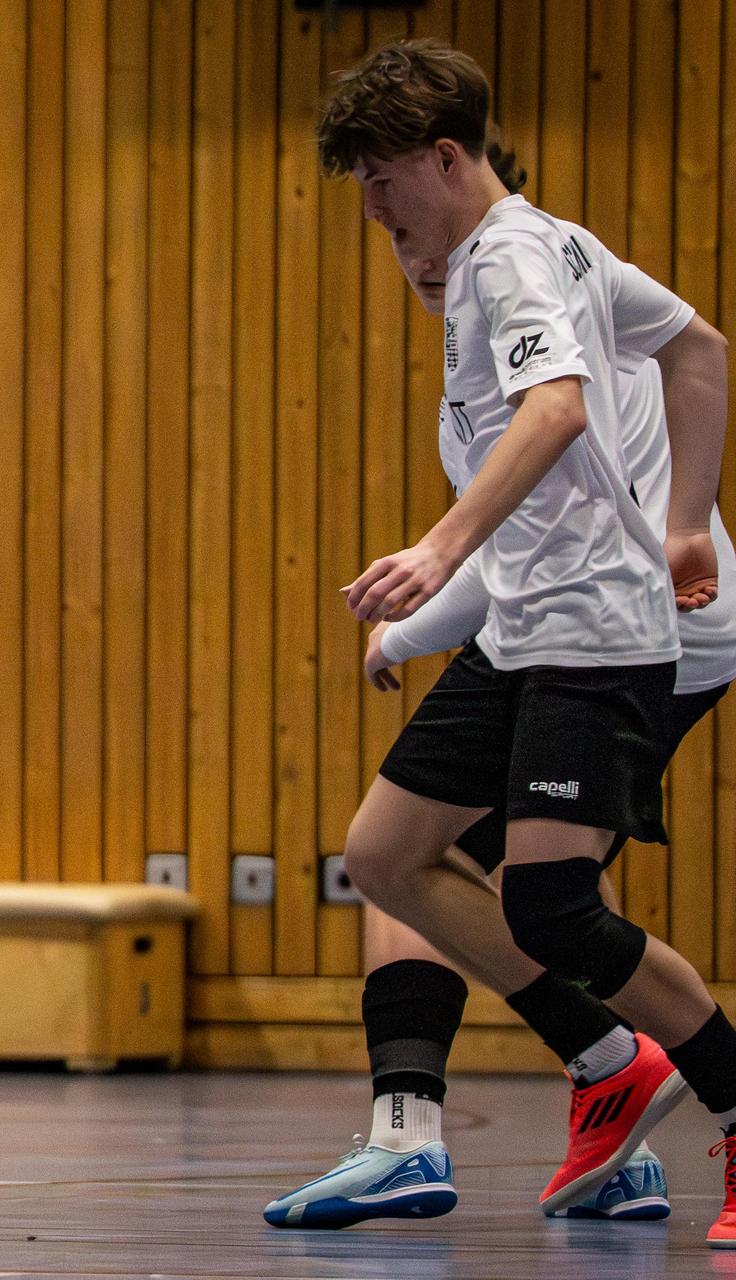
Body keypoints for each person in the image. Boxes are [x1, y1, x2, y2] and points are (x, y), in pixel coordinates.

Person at [298, 39, 736, 1247]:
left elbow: (558, 411)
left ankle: (652, 1085)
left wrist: (437, 556)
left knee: (550, 903)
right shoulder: (547, 254)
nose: (377, 218)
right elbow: (702, 350)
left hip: (607, 632)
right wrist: (686, 520)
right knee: (387, 852)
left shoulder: (511, 259)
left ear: (446, 159)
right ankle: (605, 1061)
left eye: (383, 186)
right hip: (539, 622)